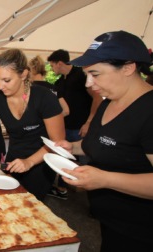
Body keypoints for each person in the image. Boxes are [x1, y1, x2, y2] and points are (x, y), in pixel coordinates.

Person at [56, 30, 153, 251]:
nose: (89, 84)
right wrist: (72, 146)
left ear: (128, 67)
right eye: (87, 75)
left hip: (142, 231)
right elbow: (103, 143)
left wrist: (106, 179)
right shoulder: (110, 102)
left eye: (96, 74)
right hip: (111, 221)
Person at [0, 48, 65, 200]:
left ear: (24, 74)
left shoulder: (44, 98)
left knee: (30, 208)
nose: (0, 86)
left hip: (40, 163)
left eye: (6, 80)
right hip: (13, 160)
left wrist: (29, 162)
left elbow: (57, 143)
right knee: (8, 201)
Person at [47, 49, 103, 199]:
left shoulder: (81, 75)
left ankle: (92, 198)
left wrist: (89, 121)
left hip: (80, 127)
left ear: (59, 63)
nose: (52, 69)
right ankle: (63, 188)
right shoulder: (59, 82)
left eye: (52, 66)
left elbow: (97, 98)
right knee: (64, 160)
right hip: (65, 128)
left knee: (86, 164)